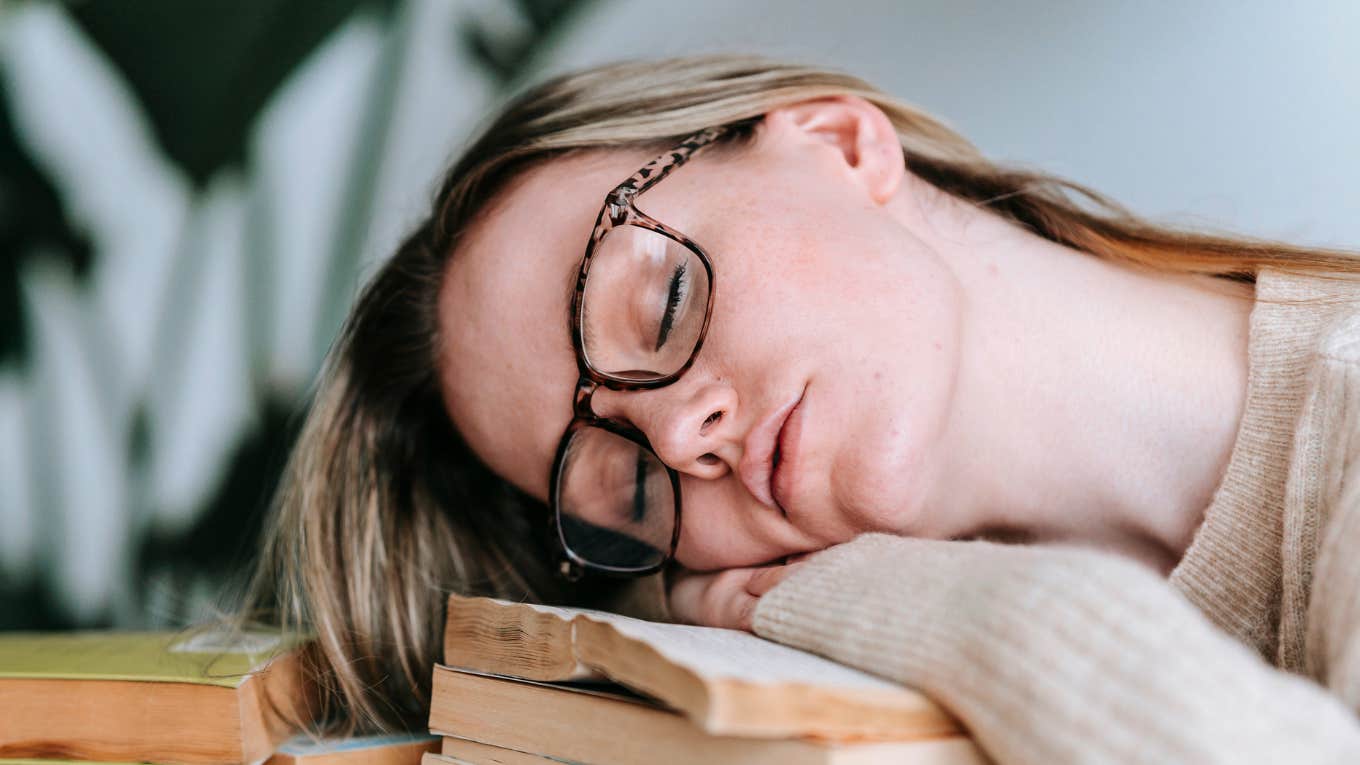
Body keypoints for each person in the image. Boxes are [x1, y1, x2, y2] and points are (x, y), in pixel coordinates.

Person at [238, 55, 1360, 762]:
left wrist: (971, 617)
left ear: (837, 142)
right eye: (628, 487)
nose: (679, 438)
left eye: (662, 301)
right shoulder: (837, 688)